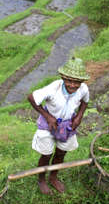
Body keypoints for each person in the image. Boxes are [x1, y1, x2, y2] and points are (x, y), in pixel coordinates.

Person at [28, 57, 90, 194]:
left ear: (82, 81)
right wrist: (48, 116)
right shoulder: (53, 88)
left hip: (67, 125)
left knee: (61, 152)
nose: (73, 85)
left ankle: (53, 177)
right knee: (46, 154)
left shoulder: (83, 89)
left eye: (77, 82)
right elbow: (31, 97)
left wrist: (79, 116)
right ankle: (42, 179)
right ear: (63, 77)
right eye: (69, 80)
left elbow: (85, 101)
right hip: (48, 124)